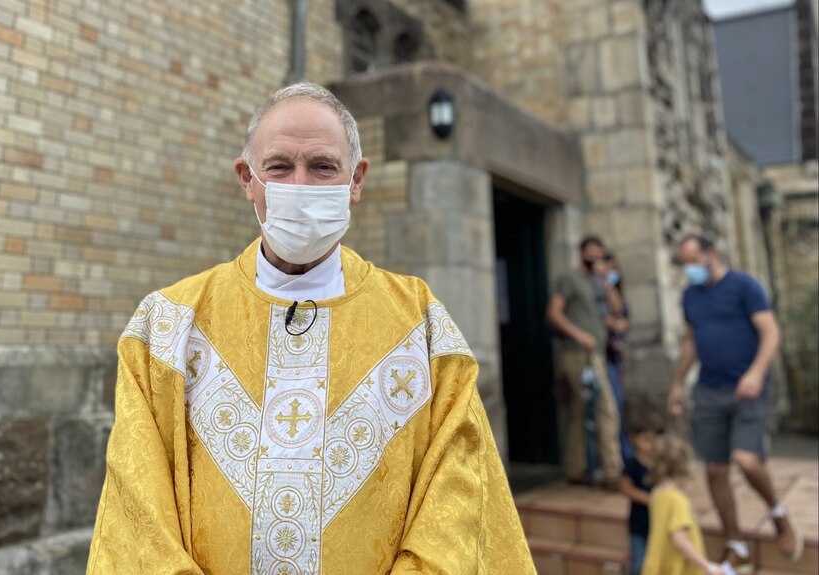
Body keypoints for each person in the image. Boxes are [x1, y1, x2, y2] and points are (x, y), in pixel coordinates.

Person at [86, 83, 537, 574]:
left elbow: (456, 509)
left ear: (356, 180)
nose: (300, 185)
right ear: (247, 179)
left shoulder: (423, 328)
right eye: (279, 167)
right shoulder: (167, 328)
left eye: (323, 167)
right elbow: (139, 520)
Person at [668, 234, 802, 573]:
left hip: (748, 389)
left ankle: (778, 514)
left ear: (711, 254)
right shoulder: (690, 296)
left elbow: (771, 333)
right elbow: (690, 342)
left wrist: (755, 374)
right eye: (685, 264)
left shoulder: (745, 286)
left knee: (745, 459)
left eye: (694, 261)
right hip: (709, 390)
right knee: (714, 469)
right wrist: (676, 384)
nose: (690, 269)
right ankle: (736, 543)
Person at [546, 236, 622, 487]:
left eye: (599, 254)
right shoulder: (569, 279)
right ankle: (612, 471)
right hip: (578, 353)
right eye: (591, 253)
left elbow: (617, 309)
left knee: (579, 411)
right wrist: (580, 335)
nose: (595, 258)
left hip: (596, 353)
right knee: (605, 409)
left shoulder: (598, 283)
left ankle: (575, 469)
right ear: (582, 253)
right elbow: (554, 313)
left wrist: (606, 281)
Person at [642, 434, 725, 575]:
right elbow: (679, 540)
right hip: (679, 569)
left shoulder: (657, 494)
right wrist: (708, 566)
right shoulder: (678, 501)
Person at [619, 403, 664, 575]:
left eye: (654, 440)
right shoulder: (633, 464)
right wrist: (648, 499)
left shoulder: (660, 463)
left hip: (658, 522)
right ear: (633, 439)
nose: (650, 445)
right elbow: (624, 487)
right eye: (645, 439)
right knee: (638, 563)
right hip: (639, 524)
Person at [602, 252, 633, 462]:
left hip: (616, 358)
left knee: (618, 407)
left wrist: (608, 286)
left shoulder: (613, 293)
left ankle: (624, 453)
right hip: (600, 357)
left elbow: (621, 318)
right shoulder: (595, 293)